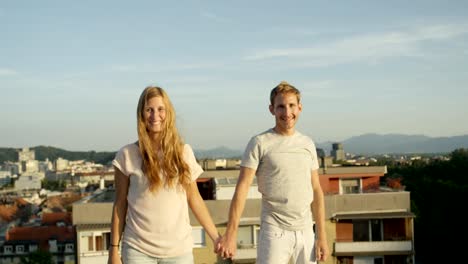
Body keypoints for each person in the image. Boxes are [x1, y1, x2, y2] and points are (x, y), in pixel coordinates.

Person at [217, 81, 329, 264]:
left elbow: (316, 190)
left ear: (300, 108)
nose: (287, 113)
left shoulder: (308, 144)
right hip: (275, 231)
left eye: (292, 106)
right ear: (271, 109)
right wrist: (231, 233)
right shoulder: (259, 143)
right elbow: (242, 188)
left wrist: (321, 236)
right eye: (281, 107)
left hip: (306, 231)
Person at [108, 86, 220, 264]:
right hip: (137, 250)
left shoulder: (183, 152)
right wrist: (113, 250)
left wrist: (216, 237)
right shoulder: (126, 155)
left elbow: (194, 198)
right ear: (141, 114)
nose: (155, 116)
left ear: (168, 113)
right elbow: (120, 204)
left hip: (178, 252)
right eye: (148, 110)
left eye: (160, 109)